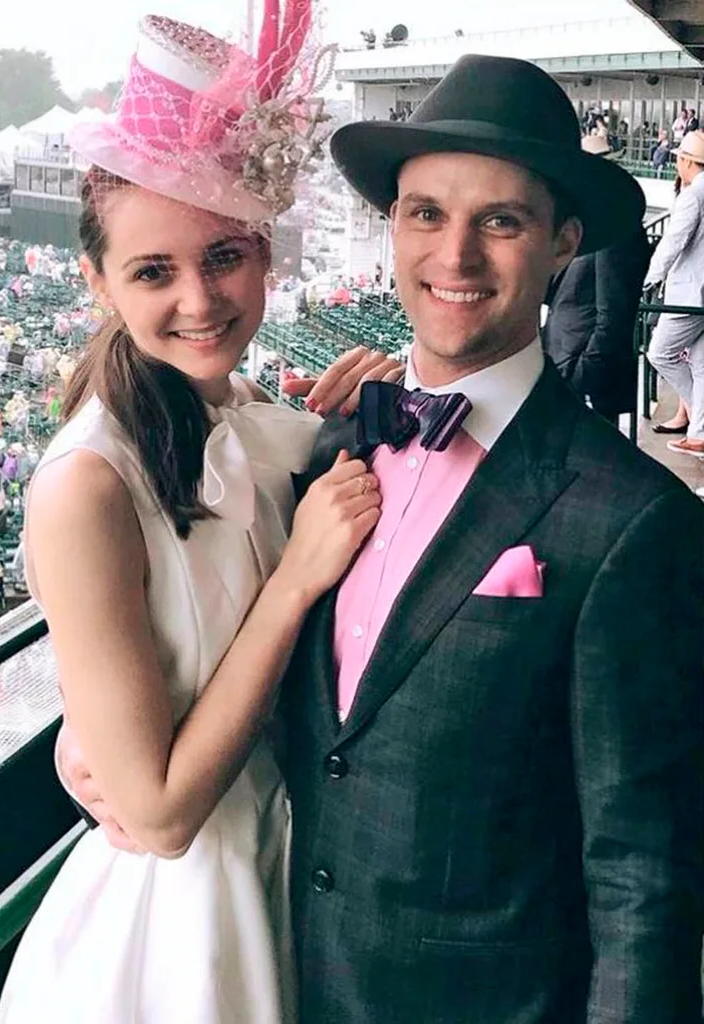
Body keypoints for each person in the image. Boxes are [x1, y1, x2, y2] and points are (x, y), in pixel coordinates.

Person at [68, 54, 704, 1022]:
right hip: (285, 971)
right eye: (426, 215)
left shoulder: (636, 521)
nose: (455, 257)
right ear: (392, 228)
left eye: (500, 220)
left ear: (562, 241)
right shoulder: (322, 449)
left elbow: (642, 877)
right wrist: (88, 746)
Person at [0, 13, 399, 1023]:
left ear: (264, 255)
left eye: (222, 257)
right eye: (152, 272)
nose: (199, 300)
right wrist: (298, 574)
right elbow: (161, 815)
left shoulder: (254, 417)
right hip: (178, 933)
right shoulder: (83, 485)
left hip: (294, 865)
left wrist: (354, 420)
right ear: (95, 282)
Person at [542, 134, 651, 425]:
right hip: (562, 367)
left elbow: (614, 315)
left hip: (584, 382)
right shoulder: (582, 224)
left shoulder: (617, 232)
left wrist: (583, 375)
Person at [645, 130, 704, 455]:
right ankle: (699, 433)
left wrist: (648, 279)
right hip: (699, 297)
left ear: (684, 161)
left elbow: (672, 246)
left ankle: (700, 422)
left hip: (689, 294)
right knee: (698, 362)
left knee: (660, 353)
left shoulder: (693, 196)